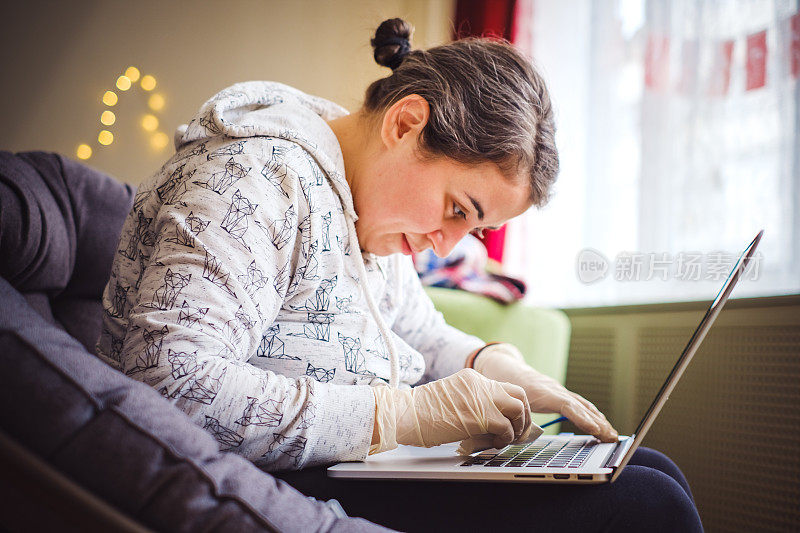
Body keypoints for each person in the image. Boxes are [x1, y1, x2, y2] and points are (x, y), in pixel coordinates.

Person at [96, 17, 702, 532]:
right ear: (406, 124)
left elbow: (425, 334)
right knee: (651, 504)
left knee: (652, 470)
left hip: (365, 464)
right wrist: (400, 417)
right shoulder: (250, 182)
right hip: (286, 478)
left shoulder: (368, 212)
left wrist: (502, 366)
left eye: (474, 227)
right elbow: (170, 383)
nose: (447, 244)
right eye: (456, 209)